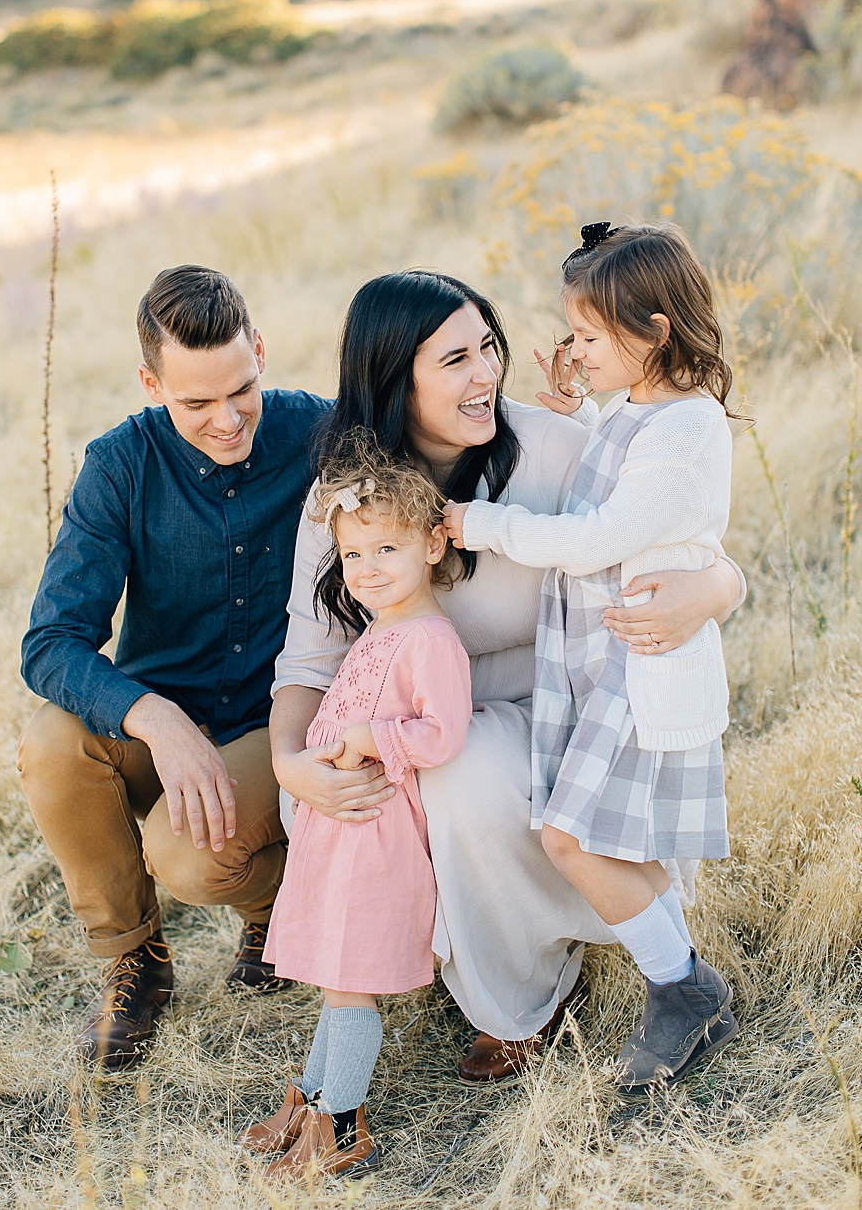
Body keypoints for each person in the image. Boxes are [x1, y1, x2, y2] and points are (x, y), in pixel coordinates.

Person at [271, 269, 746, 1084]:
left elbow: (671, 531)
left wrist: (721, 588)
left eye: (488, 347)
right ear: (394, 380)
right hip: (403, 717)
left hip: (551, 709)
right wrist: (289, 763)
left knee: (463, 771)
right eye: (455, 359)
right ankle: (408, 959)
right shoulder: (347, 496)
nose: (487, 372)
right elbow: (308, 658)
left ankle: (526, 992)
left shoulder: (553, 447)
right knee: (348, 784)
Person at [18, 265, 340, 1070]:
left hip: (278, 723)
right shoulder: (120, 464)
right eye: (196, 403)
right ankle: (137, 964)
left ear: (260, 351)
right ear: (151, 383)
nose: (227, 420)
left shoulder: (320, 433)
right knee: (53, 744)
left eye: (242, 390)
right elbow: (52, 641)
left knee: (189, 857)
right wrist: (154, 717)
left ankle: (278, 907)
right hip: (163, 727)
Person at [443, 222, 738, 1091]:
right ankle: (686, 985)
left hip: (640, 671)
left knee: (571, 838)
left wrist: (479, 523)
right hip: (607, 668)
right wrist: (578, 414)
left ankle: (680, 987)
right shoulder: (636, 409)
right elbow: (607, 487)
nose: (574, 351)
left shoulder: (688, 430)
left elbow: (599, 535)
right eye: (572, 333)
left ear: (655, 332)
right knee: (614, 841)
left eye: (591, 337)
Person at [243, 449, 472, 1180]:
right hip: (342, 834)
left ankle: (341, 1123)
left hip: (377, 841)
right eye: (352, 555)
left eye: (386, 550)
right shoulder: (381, 628)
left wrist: (374, 737)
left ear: (431, 545)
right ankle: (311, 1098)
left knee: (350, 989)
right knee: (334, 978)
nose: (367, 569)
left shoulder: (430, 639)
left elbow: (444, 733)